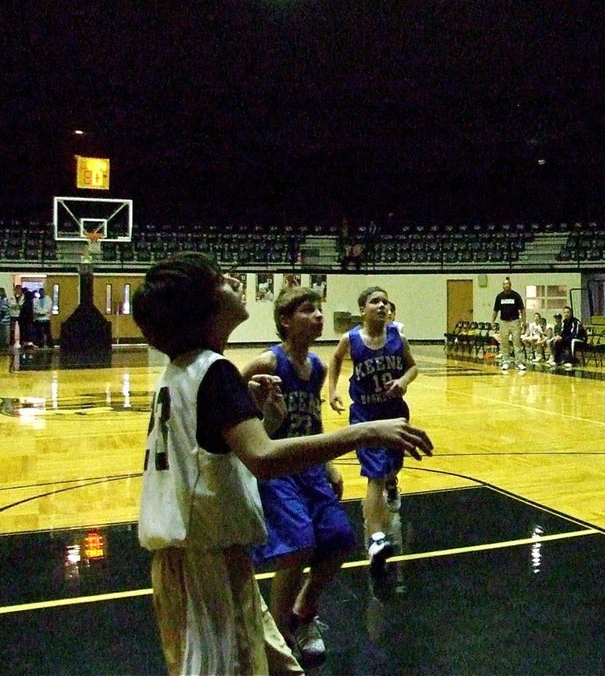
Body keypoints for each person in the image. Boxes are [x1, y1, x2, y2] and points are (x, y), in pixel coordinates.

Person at [132, 252, 433, 676]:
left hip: (192, 555)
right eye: (221, 279)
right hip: (204, 559)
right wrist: (366, 431)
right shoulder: (216, 371)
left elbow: (218, 453)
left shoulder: (184, 370)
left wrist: (265, 421)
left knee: (273, 662)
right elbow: (264, 458)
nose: (234, 281)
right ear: (204, 306)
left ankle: (299, 617)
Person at [240, 287, 353, 666]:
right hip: (277, 466)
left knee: (339, 538)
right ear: (285, 321)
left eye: (319, 309)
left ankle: (303, 610)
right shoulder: (268, 363)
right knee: (297, 545)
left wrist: (328, 462)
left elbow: (313, 420)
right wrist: (260, 417)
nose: (318, 316)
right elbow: (228, 402)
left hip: (309, 467)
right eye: (308, 310)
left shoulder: (317, 367)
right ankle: (279, 638)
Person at [329, 286, 419, 575]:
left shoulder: (397, 337)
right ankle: (377, 539)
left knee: (393, 466)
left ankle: (393, 483)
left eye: (385, 302)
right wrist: (332, 390)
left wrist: (403, 381)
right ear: (362, 310)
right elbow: (335, 359)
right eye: (375, 301)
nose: (382, 306)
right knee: (374, 473)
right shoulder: (351, 339)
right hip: (365, 416)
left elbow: (413, 368)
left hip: (393, 412)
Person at [492, 277, 526, 371]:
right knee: (504, 343)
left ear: (510, 285)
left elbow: (522, 310)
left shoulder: (516, 295)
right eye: (504, 284)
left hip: (515, 321)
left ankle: (519, 363)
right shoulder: (499, 296)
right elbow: (495, 310)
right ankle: (506, 362)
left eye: (507, 284)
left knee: (517, 343)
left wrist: (523, 321)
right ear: (502, 286)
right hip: (503, 322)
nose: (506, 285)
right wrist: (492, 321)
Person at [553, 305, 587, 370]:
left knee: (572, 341)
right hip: (569, 338)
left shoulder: (575, 321)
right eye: (565, 312)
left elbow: (575, 334)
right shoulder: (564, 322)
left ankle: (571, 361)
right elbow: (563, 332)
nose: (566, 314)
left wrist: (563, 338)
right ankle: (557, 360)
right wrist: (560, 337)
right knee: (557, 341)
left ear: (571, 313)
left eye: (568, 312)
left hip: (580, 339)